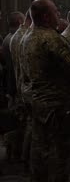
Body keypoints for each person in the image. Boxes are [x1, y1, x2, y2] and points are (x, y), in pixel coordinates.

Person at [22, 0, 70, 181]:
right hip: (59, 107)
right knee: (60, 156)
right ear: (46, 17)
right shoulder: (53, 39)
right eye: (55, 11)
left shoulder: (27, 38)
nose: (59, 14)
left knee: (40, 152)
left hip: (38, 104)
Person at [9, 10, 32, 167]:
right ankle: (24, 158)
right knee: (28, 126)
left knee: (21, 125)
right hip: (25, 89)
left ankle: (17, 155)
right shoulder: (25, 36)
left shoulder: (17, 35)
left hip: (19, 87)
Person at [2, 11, 25, 161]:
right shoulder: (16, 39)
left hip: (11, 85)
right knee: (18, 122)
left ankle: (12, 151)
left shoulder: (7, 38)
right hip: (16, 86)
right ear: (18, 21)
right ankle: (15, 152)